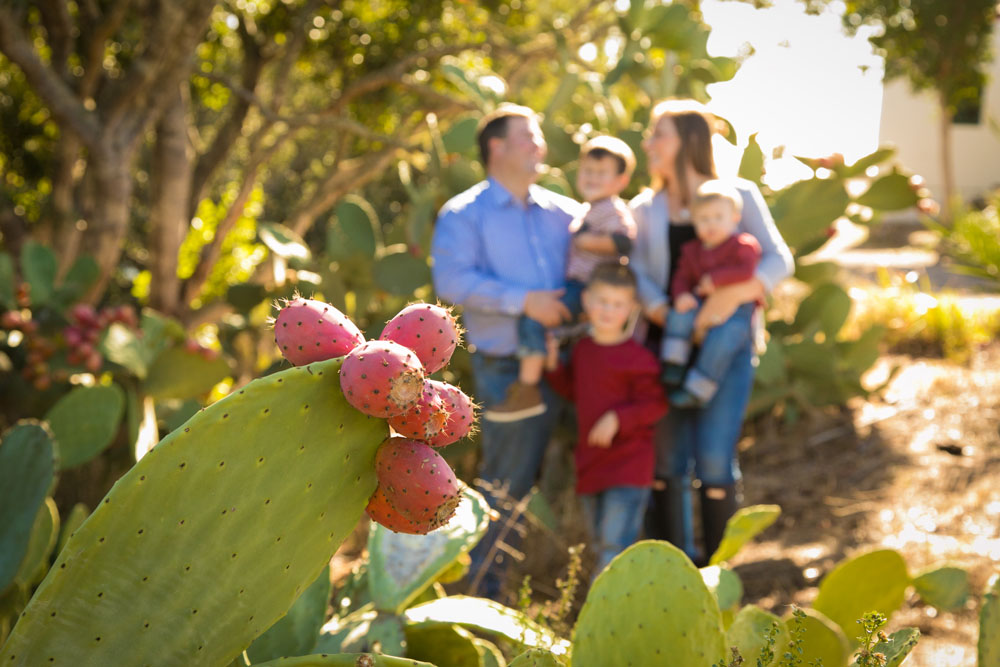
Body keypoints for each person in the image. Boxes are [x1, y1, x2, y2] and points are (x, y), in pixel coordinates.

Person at [629, 99, 793, 564]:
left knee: (717, 461)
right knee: (668, 464)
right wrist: (663, 311)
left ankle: (722, 573)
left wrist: (733, 296)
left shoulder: (738, 194)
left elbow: (779, 259)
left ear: (688, 141)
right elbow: (639, 274)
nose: (649, 143)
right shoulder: (647, 208)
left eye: (658, 133)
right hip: (666, 349)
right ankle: (678, 568)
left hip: (730, 349)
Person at [431, 103, 583, 599]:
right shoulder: (463, 215)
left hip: (580, 363)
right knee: (506, 486)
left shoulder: (566, 213)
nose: (540, 145)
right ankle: (482, 601)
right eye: (529, 136)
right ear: (495, 147)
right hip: (509, 371)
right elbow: (452, 282)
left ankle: (582, 592)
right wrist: (525, 302)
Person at [486, 136, 637, 422]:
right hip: (579, 287)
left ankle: (528, 388)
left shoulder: (612, 210)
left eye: (601, 173)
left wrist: (587, 241)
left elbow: (624, 242)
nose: (592, 178)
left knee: (534, 320)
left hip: (590, 287)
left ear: (620, 181)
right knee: (552, 329)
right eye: (588, 171)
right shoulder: (589, 208)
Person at [544, 263, 667, 575]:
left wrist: (618, 418)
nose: (608, 310)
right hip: (591, 463)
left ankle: (605, 620)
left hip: (629, 465)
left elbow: (656, 404)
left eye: (618, 304)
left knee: (615, 547)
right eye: (602, 301)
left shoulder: (638, 358)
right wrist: (553, 366)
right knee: (600, 545)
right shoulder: (583, 350)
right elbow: (575, 391)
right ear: (586, 301)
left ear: (632, 308)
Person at [660, 180, 762, 409]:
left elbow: (746, 272)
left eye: (718, 217)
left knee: (722, 339)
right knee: (679, 315)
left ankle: (698, 389)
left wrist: (716, 279)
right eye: (704, 219)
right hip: (699, 301)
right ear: (694, 221)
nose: (711, 224)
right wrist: (681, 295)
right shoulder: (692, 250)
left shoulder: (743, 246)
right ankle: (674, 363)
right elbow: (682, 277)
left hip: (737, 310)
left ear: (735, 217)